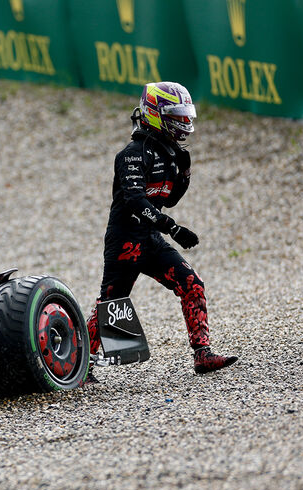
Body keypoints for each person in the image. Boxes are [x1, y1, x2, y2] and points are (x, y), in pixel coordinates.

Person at [86, 81, 238, 375]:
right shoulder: (130, 154)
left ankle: (202, 354)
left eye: (185, 115)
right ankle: (80, 365)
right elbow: (134, 199)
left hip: (150, 238)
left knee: (192, 284)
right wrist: (173, 229)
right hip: (125, 241)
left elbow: (169, 199)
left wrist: (184, 173)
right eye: (176, 116)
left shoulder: (169, 153)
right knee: (111, 304)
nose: (183, 122)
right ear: (156, 114)